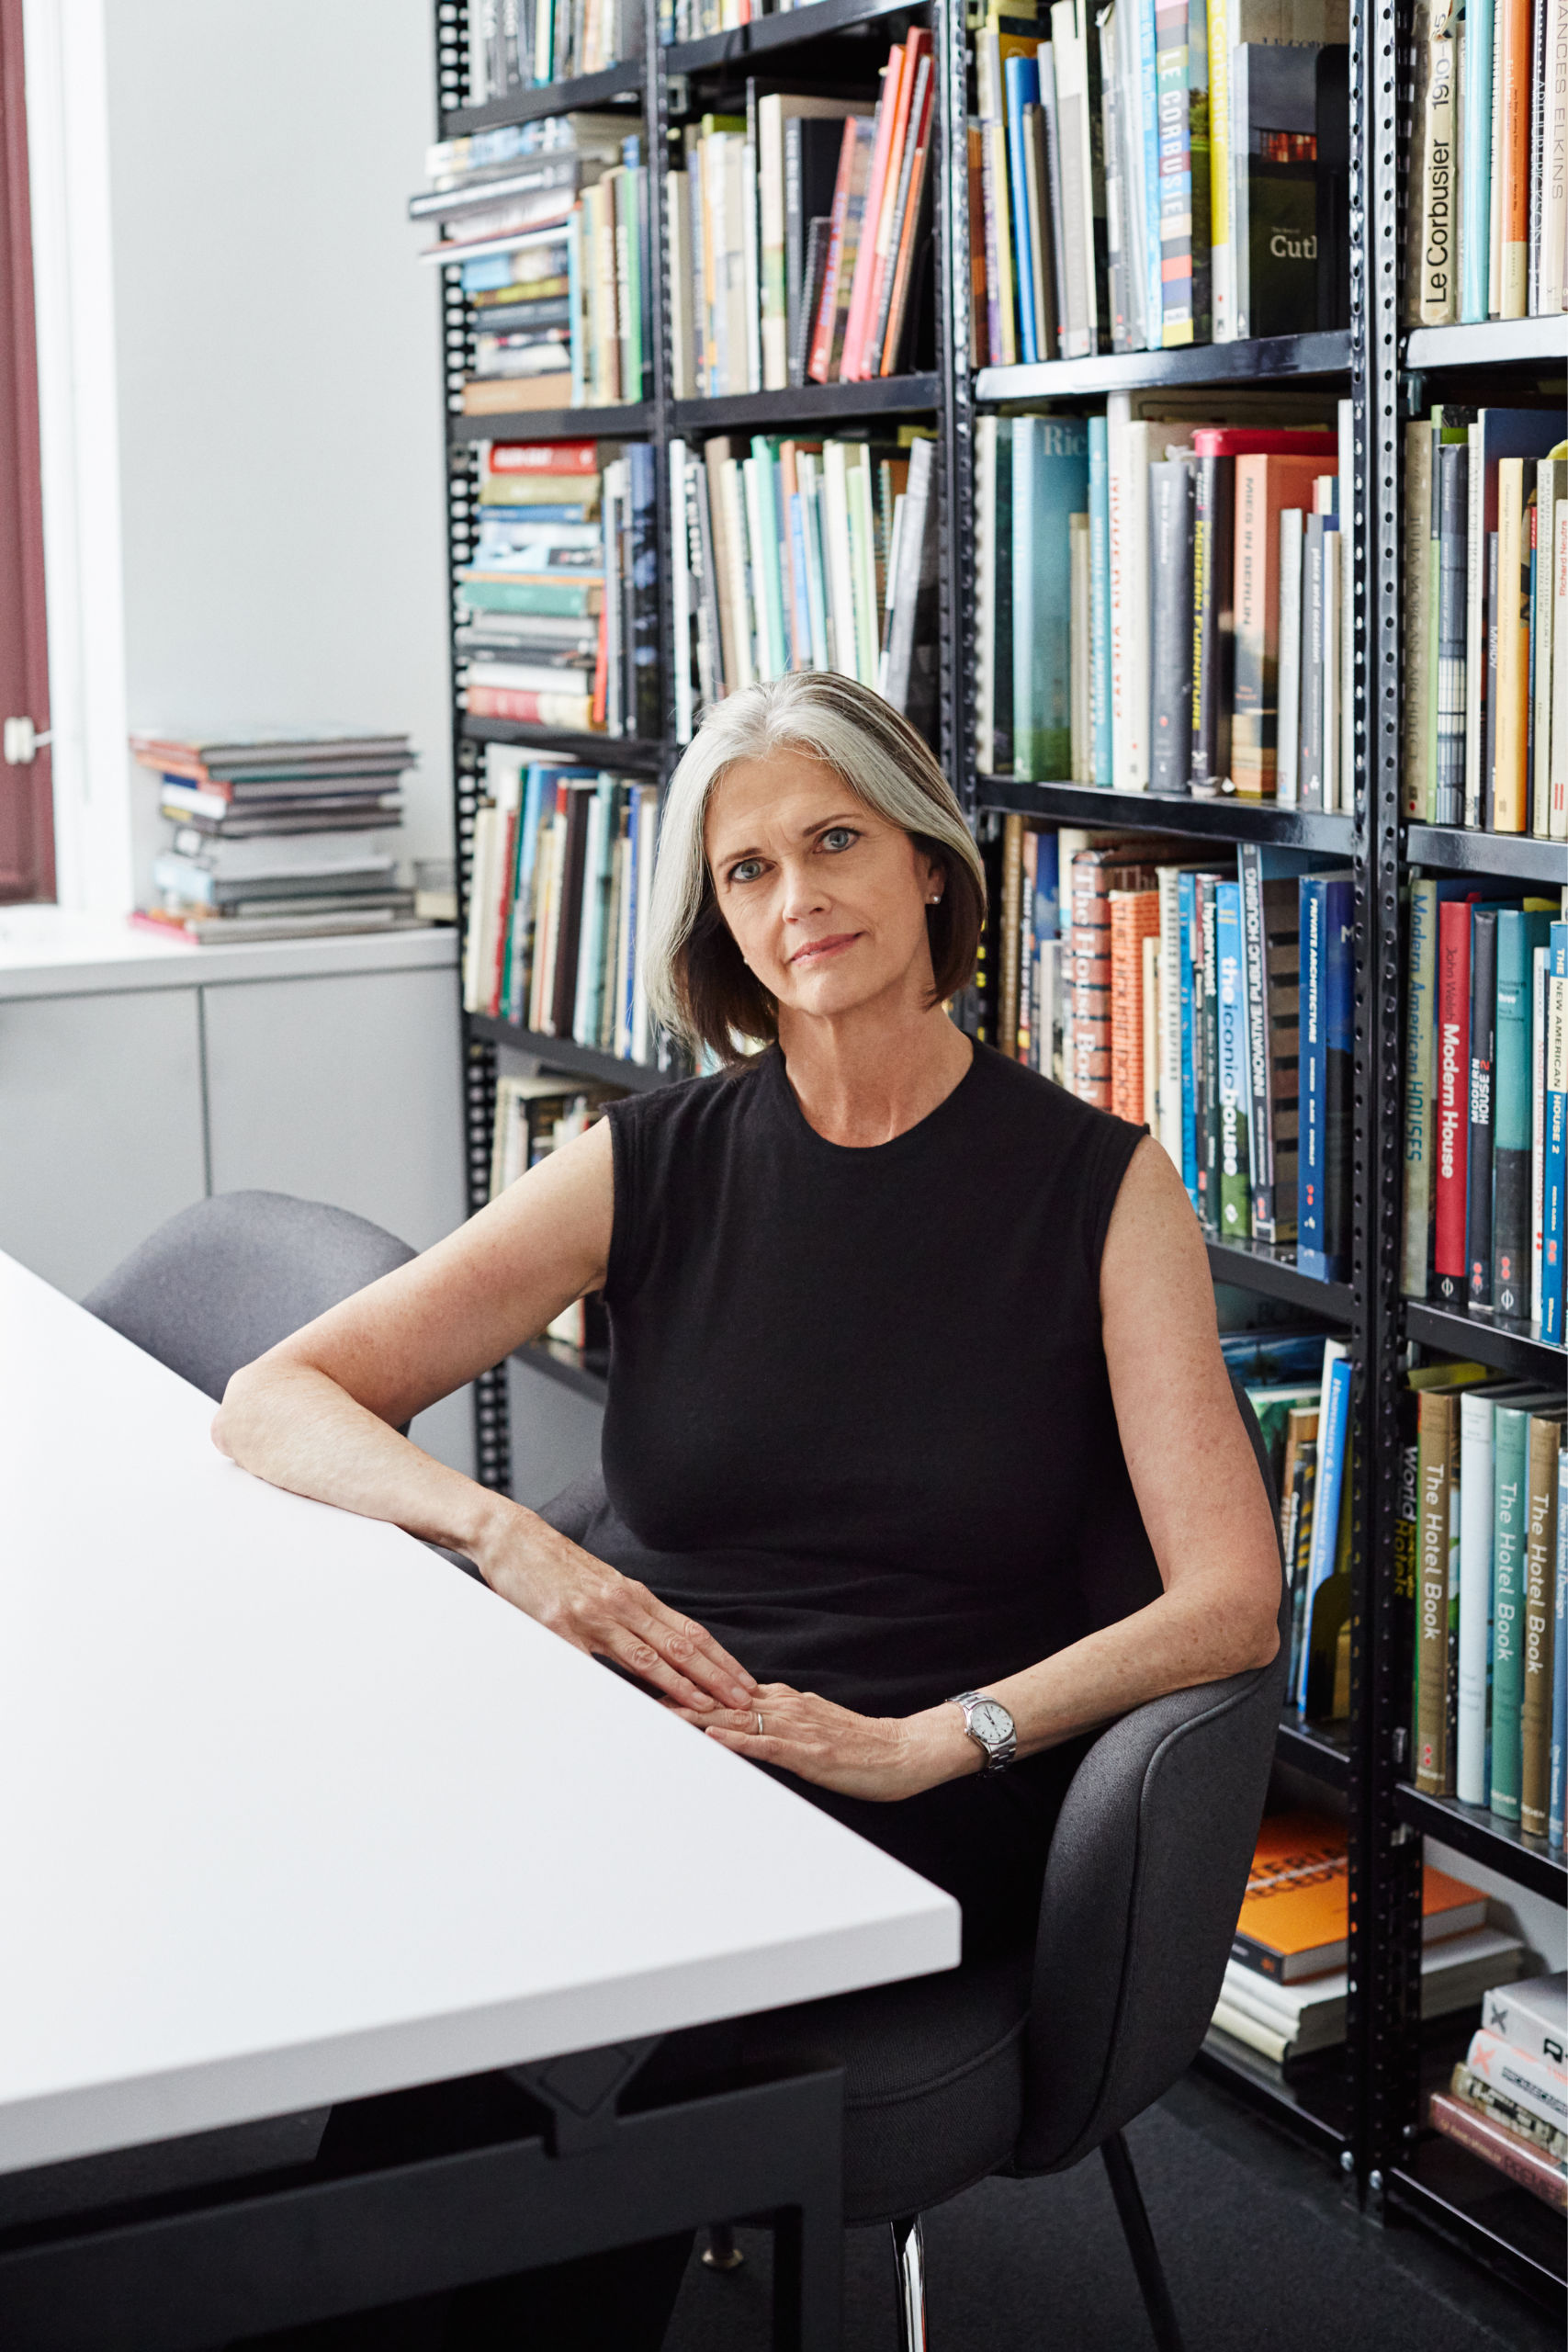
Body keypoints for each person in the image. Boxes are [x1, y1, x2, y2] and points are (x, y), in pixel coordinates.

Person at [215, 671, 1280, 2346]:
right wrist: (506, 1536)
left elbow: (1230, 1598)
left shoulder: (1100, 1185)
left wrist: (948, 1736)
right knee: (444, 1980)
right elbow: (276, 1398)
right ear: (714, 918)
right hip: (634, 1738)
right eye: (748, 871)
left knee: (524, 2010)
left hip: (904, 1777)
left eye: (835, 840)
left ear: (929, 862)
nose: (800, 903)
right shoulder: (658, 1158)